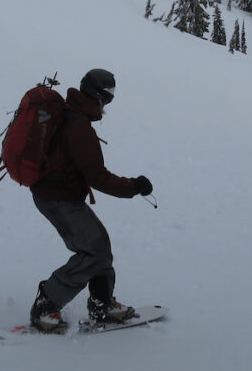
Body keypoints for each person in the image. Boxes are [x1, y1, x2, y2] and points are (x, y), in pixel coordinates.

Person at [29, 68, 154, 333]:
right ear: (100, 97)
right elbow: (97, 176)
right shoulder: (78, 126)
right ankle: (46, 303)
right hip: (57, 197)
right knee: (95, 252)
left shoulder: (71, 114)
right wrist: (133, 187)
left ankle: (102, 304)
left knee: (99, 244)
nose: (108, 104)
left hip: (55, 194)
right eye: (109, 98)